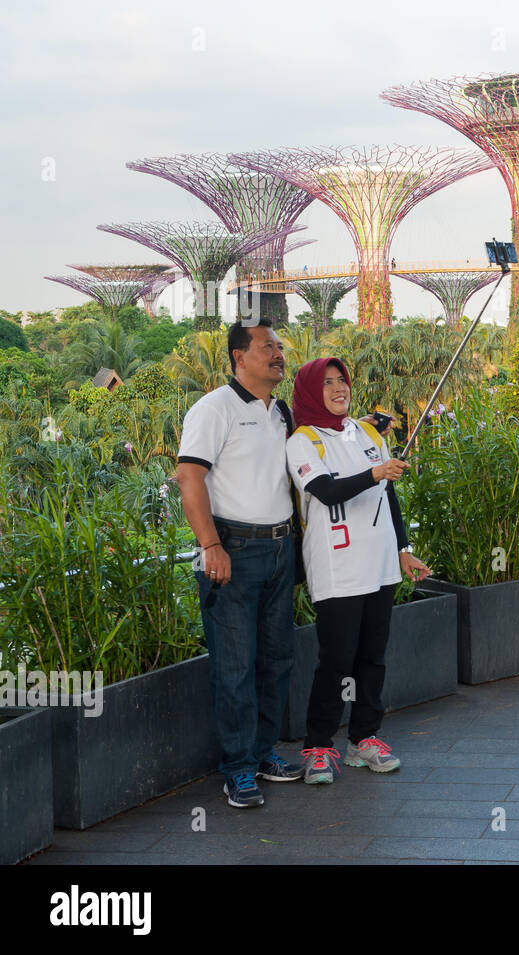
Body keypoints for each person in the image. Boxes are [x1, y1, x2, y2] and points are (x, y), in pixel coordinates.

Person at [176, 319, 304, 809]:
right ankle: (237, 770)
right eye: (266, 346)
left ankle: (263, 752)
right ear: (238, 357)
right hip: (233, 552)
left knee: (277, 660)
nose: (277, 353)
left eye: (278, 346)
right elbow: (189, 478)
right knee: (234, 667)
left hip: (279, 549)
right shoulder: (214, 408)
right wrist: (211, 546)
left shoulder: (280, 412)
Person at [287, 357, 432, 784]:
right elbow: (326, 491)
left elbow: (389, 497)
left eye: (342, 381)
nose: (338, 389)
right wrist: (375, 472)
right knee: (336, 659)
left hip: (382, 563)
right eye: (328, 383)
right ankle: (318, 746)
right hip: (337, 567)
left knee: (372, 657)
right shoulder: (303, 440)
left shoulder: (367, 432)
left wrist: (403, 549)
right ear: (313, 392)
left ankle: (365, 739)